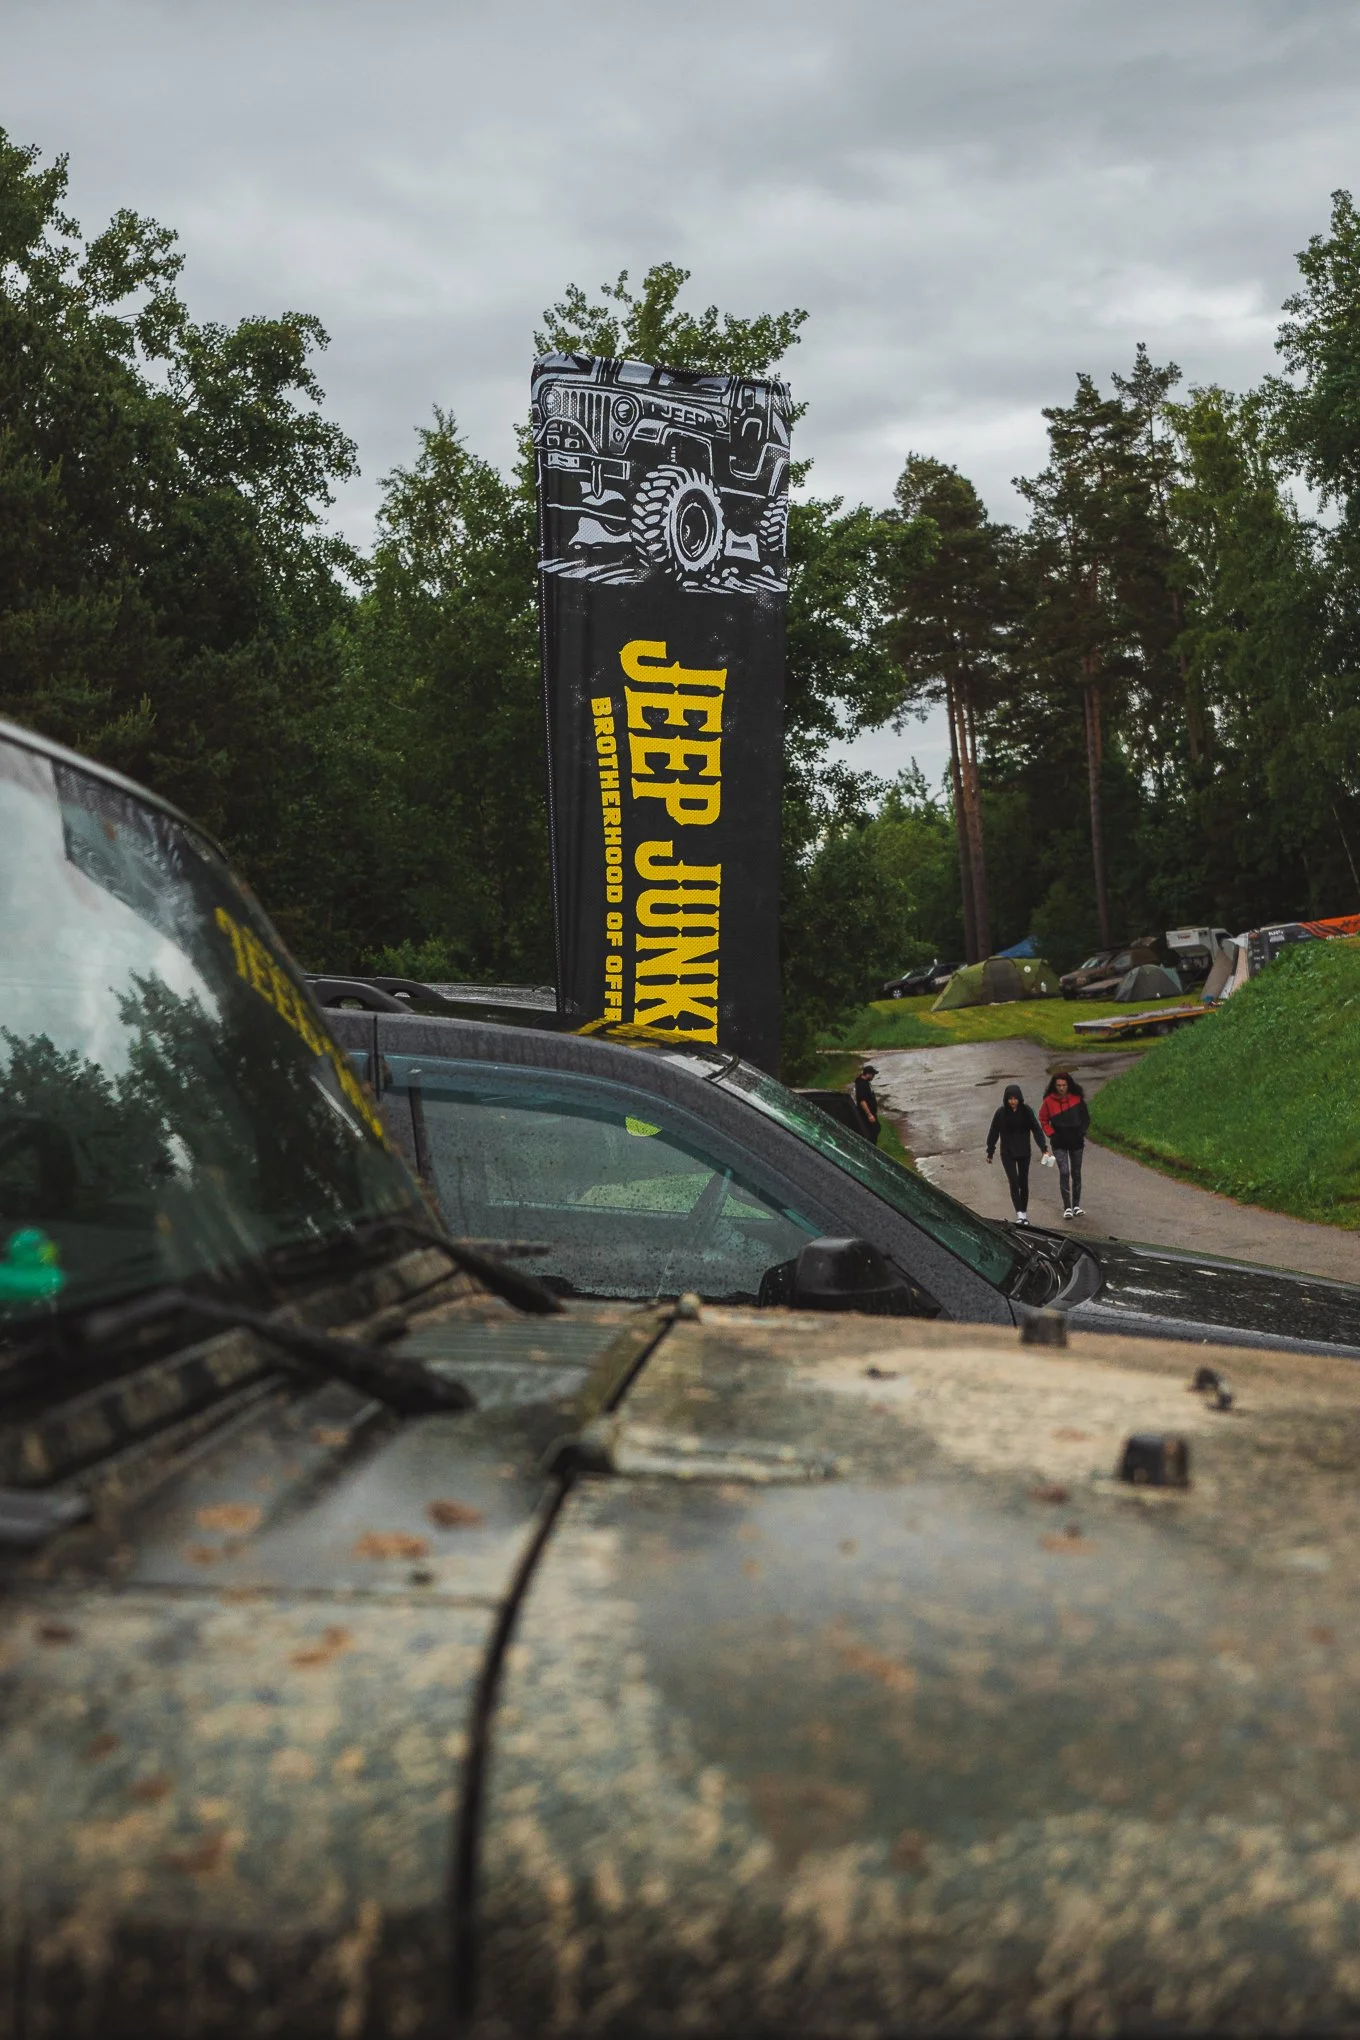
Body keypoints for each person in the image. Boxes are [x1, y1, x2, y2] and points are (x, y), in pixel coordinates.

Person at [985, 1083, 1047, 1225]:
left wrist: (1043, 1147)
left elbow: (1036, 1129)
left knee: (1023, 1182)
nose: (1013, 1102)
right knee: (1014, 1181)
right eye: (1010, 1099)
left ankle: (1024, 1213)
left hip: (1024, 1151)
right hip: (1007, 1152)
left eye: (1015, 1098)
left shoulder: (1026, 1111)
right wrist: (990, 1151)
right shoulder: (1001, 1113)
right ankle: (1019, 1214)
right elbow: (993, 1132)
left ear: (1019, 1098)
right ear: (1006, 1099)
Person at [1039, 1070, 1091, 1219]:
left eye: (1064, 1085)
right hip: (1059, 1143)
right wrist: (1051, 1134)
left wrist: (1081, 1132)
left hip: (1076, 1142)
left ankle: (1076, 1205)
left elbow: (1086, 1118)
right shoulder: (1048, 1101)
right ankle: (1067, 1207)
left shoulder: (1077, 1099)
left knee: (1076, 1173)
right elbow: (1043, 1119)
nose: (1061, 1088)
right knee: (1064, 1172)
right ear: (1054, 1086)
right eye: (1058, 1085)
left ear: (1068, 1085)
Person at [852, 1063, 882, 1145]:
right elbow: (862, 1101)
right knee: (873, 1132)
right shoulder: (862, 1084)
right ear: (868, 1074)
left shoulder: (864, 1081)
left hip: (871, 1113)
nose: (873, 1077)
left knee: (877, 1128)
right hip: (866, 1114)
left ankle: (871, 1145)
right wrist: (869, 1115)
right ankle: (871, 1146)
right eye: (873, 1075)